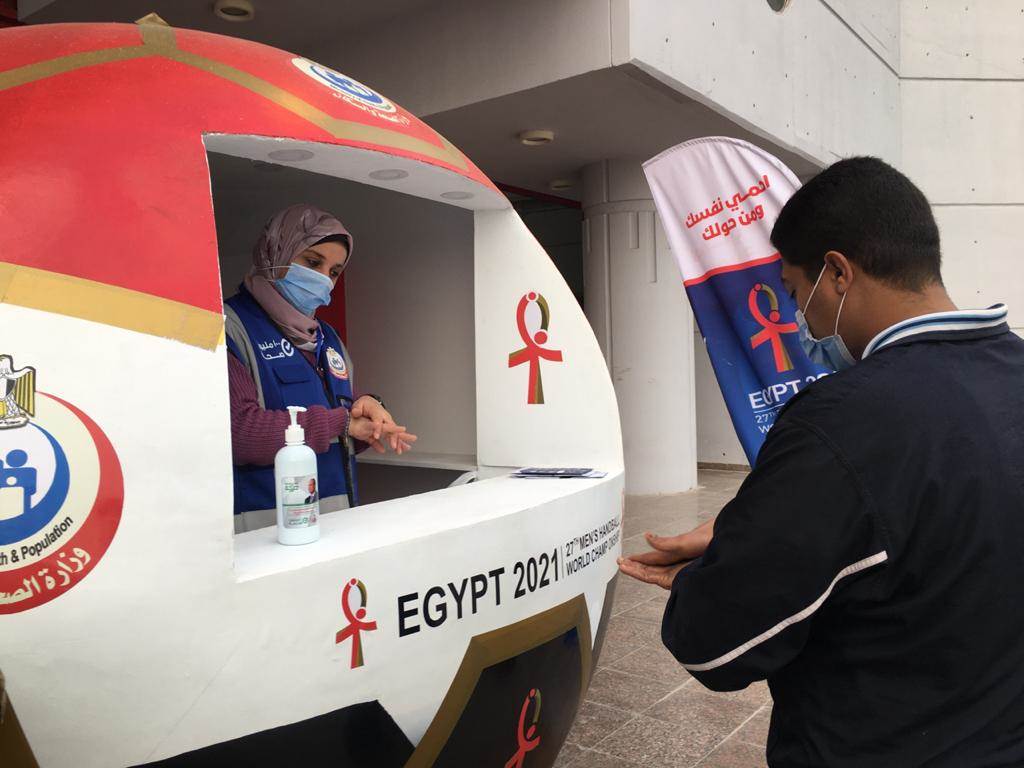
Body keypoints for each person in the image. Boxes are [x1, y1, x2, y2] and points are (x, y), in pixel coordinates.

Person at [618, 157, 1024, 767]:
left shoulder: (838, 422)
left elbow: (715, 646)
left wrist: (718, 574)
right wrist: (752, 531)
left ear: (836, 273)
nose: (796, 319)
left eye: (792, 292)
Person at [225, 204, 416, 532]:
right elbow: (239, 434)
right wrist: (342, 423)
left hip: (336, 527)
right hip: (265, 535)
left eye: (334, 271)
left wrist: (368, 414)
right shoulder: (229, 328)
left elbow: (339, 428)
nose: (323, 278)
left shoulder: (327, 339)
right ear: (275, 253)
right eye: (313, 262)